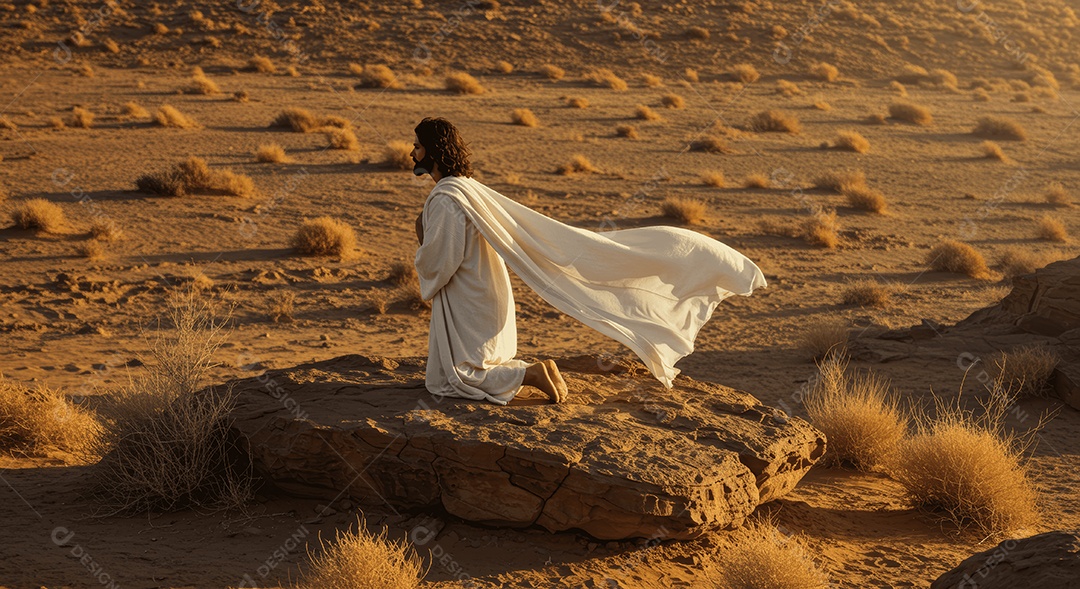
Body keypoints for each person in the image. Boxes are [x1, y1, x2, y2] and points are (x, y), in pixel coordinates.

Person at [411, 117, 767, 406]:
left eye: (418, 146)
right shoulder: (468, 187)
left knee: (456, 378)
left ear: (433, 151)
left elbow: (442, 259)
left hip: (469, 291)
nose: (412, 152)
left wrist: (422, 239)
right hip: (484, 286)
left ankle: (531, 374)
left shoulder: (446, 198)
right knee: (462, 369)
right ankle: (531, 372)